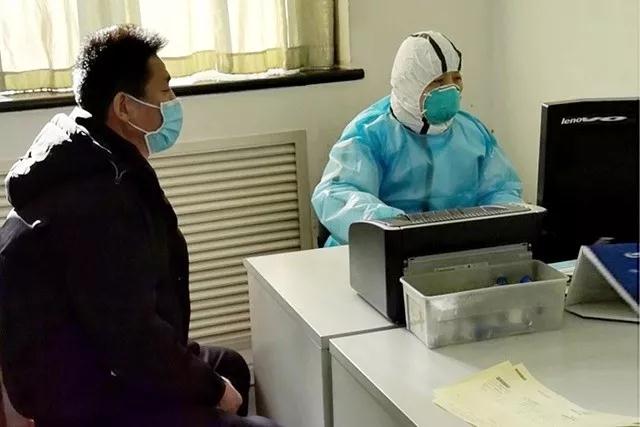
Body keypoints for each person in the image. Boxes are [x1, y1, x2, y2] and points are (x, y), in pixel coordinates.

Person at [0, 24, 279, 427]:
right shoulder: (99, 197)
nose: (173, 102)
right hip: (88, 394)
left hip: (98, 356)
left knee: (230, 365)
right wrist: (212, 390)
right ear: (124, 107)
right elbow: (132, 339)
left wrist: (207, 381)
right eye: (164, 90)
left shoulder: (85, 150)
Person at [312, 30, 523, 246]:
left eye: (456, 78)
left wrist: (497, 228)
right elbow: (337, 194)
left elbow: (502, 190)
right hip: (383, 252)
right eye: (438, 81)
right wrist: (398, 227)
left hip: (455, 252)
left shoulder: (473, 133)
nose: (451, 89)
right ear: (410, 84)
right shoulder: (370, 134)